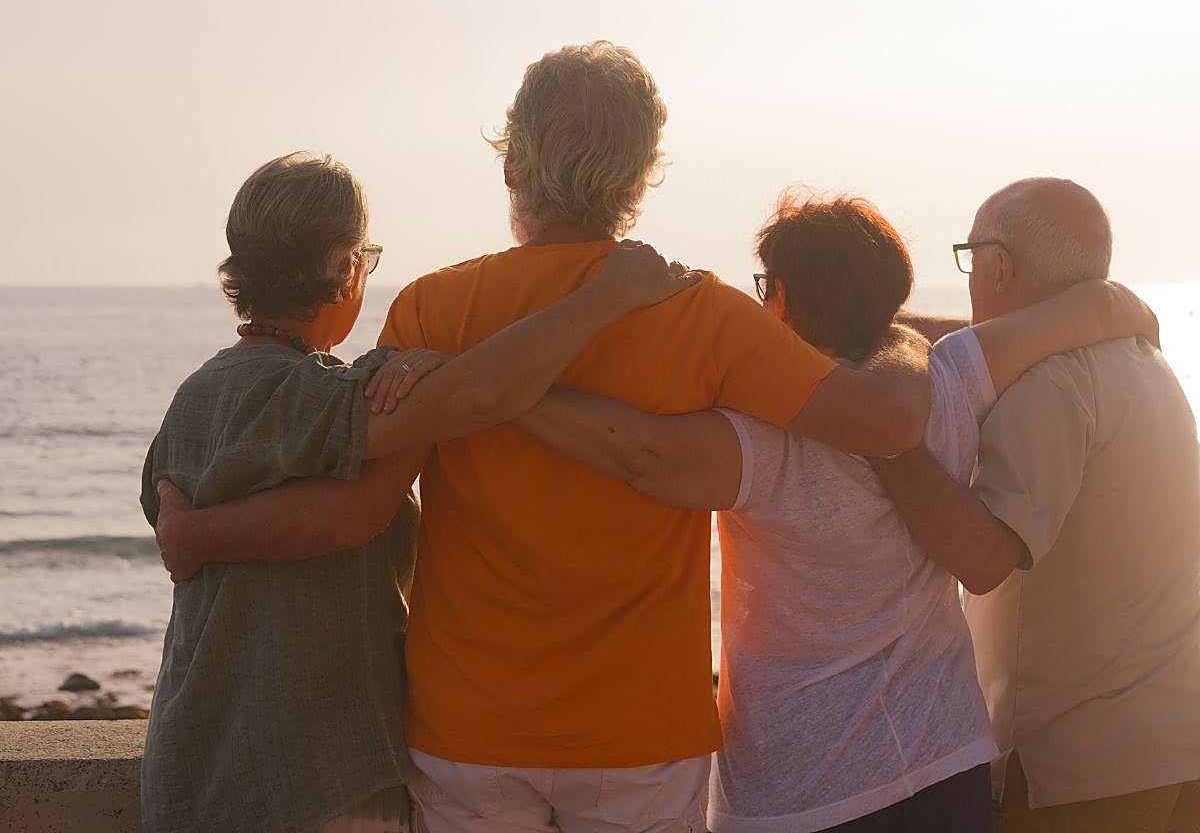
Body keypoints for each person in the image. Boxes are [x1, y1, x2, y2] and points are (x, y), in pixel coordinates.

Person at [154, 42, 937, 832]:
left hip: (468, 726)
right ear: (639, 177)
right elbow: (888, 423)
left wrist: (198, 531)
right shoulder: (699, 310)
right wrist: (911, 340)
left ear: (512, 167)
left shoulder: (433, 310)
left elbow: (358, 508)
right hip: (641, 729)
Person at [507, 194, 1158, 832]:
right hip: (946, 761)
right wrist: (1123, 306)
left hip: (806, 787)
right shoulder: (953, 376)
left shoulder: (761, 436)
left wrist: (496, 391)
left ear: (783, 300)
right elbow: (1071, 318)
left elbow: (639, 451)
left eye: (765, 286)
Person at [139, 150, 699, 833]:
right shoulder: (336, 395)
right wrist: (607, 297)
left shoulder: (189, 404)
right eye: (365, 259)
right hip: (318, 772)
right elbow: (469, 404)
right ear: (347, 268)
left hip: (190, 759)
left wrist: (193, 533)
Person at [871, 178, 1200, 833]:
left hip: (1076, 768)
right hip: (1174, 745)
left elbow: (986, 557)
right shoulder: (1146, 362)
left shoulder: (1050, 384)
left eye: (970, 256)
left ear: (999, 264)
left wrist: (887, 441)